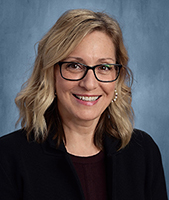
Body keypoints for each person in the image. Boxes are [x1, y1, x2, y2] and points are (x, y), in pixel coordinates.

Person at [0, 9, 168, 200]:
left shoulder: (143, 152)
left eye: (104, 67)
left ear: (117, 77)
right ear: (50, 74)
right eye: (74, 65)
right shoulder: (8, 157)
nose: (89, 84)